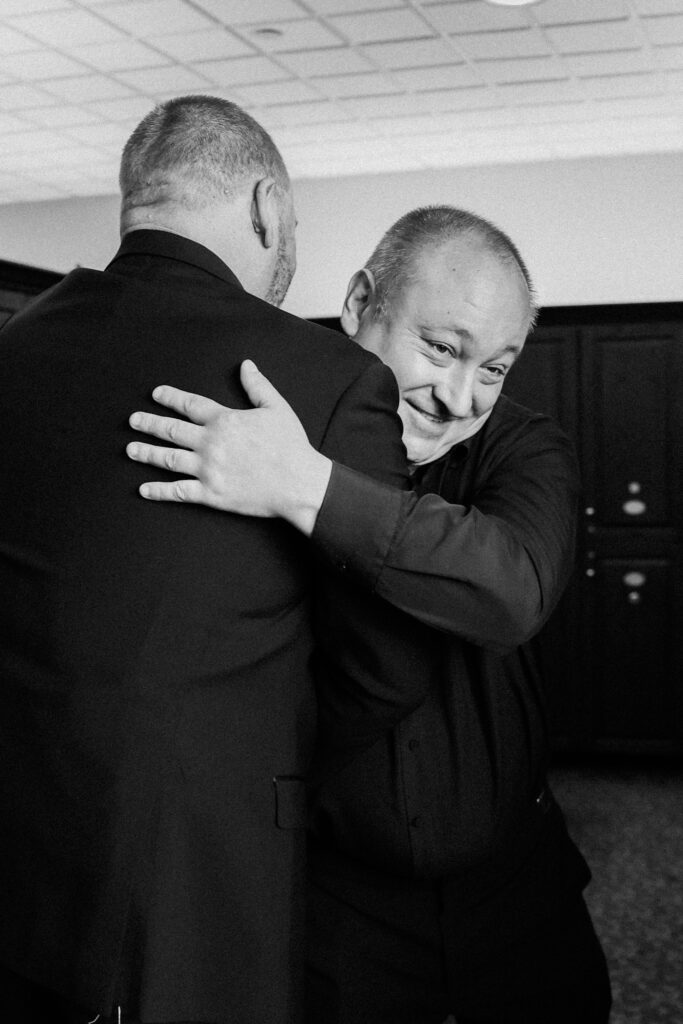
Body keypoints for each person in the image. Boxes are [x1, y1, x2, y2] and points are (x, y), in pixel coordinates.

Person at [0, 95, 445, 1024]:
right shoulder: (321, 379)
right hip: (200, 876)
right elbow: (384, 665)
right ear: (265, 207)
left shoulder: (16, 348)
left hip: (22, 860)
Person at [127, 207, 612, 1024]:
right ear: (358, 304)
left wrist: (305, 489)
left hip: (515, 886)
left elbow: (512, 587)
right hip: (339, 902)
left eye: (493, 369)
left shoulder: (524, 447)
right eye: (442, 348)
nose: (461, 397)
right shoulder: (261, 430)